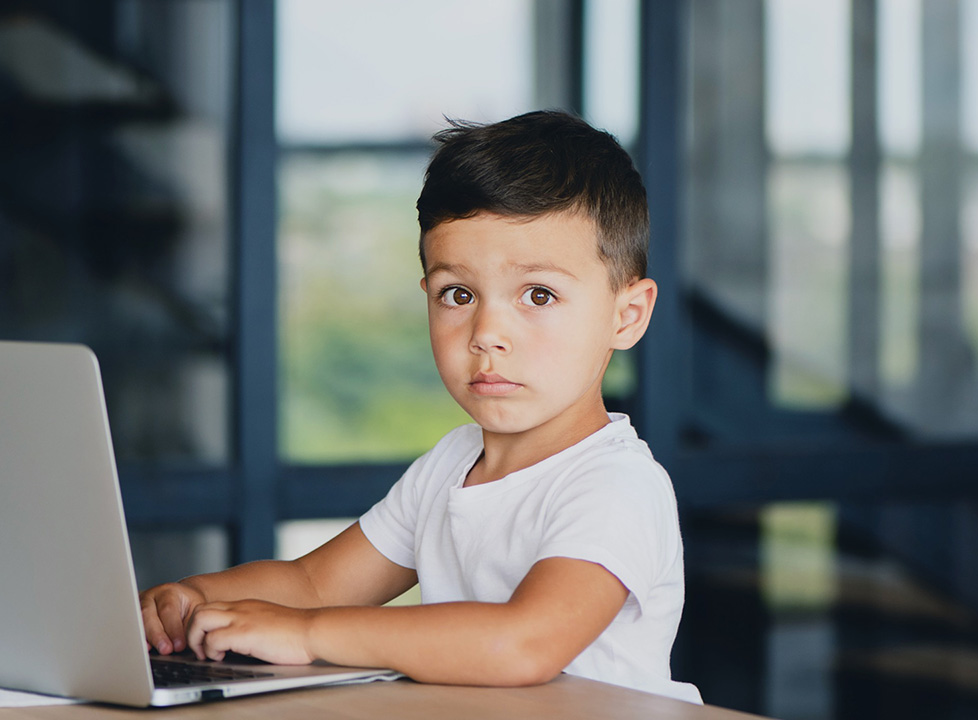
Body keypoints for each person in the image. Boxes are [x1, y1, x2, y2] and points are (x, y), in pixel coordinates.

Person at [139, 110, 701, 703]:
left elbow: (524, 643)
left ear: (626, 316)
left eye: (538, 295)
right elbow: (315, 583)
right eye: (458, 294)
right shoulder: (450, 465)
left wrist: (306, 633)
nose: (487, 333)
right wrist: (196, 597)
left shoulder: (616, 485)